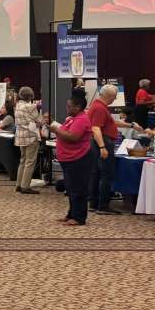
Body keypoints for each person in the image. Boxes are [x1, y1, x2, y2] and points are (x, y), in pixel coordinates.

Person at [52, 92, 94, 227]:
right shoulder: (72, 118)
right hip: (69, 158)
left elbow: (73, 137)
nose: (67, 108)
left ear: (78, 107)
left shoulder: (82, 119)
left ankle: (79, 217)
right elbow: (65, 132)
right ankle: (71, 214)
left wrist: (56, 130)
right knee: (70, 188)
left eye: (69, 106)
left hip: (78, 158)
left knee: (78, 188)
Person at [87, 84, 121, 215]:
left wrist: (131, 125)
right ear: (110, 96)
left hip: (99, 141)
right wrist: (102, 147)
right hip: (103, 141)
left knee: (96, 173)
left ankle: (94, 203)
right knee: (107, 174)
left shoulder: (98, 106)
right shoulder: (100, 108)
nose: (114, 99)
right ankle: (103, 205)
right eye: (114, 97)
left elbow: (110, 123)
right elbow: (96, 128)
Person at [13, 87, 43, 194]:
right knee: (30, 162)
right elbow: (40, 120)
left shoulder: (18, 106)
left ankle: (19, 184)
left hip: (20, 137)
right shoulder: (30, 107)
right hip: (30, 137)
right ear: (30, 96)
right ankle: (25, 186)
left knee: (23, 161)